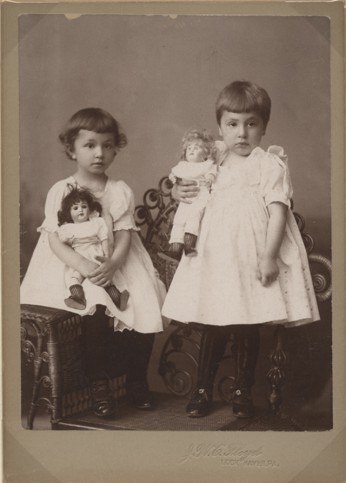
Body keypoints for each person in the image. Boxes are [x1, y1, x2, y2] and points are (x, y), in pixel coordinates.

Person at [162, 81, 320, 419]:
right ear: (220, 126)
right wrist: (177, 193)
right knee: (215, 322)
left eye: (251, 123)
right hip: (216, 258)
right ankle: (202, 388)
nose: (242, 133)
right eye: (232, 124)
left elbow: (279, 211)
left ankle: (241, 391)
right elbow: (183, 179)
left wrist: (268, 256)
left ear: (264, 127)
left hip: (250, 256)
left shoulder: (269, 164)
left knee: (249, 325)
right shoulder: (213, 156)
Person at [21, 107, 166, 418]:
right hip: (72, 264)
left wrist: (113, 264)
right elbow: (54, 238)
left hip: (116, 260)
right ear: (71, 150)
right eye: (90, 145)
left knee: (145, 297)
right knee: (94, 305)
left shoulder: (119, 190)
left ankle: (136, 379)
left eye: (108, 145)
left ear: (115, 148)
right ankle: (98, 383)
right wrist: (85, 268)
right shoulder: (62, 189)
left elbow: (125, 233)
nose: (99, 153)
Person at [57, 186, 129, 311]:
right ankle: (78, 298)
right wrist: (66, 238)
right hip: (80, 255)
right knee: (74, 277)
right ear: (69, 213)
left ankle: (118, 299)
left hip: (96, 253)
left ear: (90, 209)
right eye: (75, 208)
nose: (80, 210)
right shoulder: (68, 228)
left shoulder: (96, 223)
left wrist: (106, 256)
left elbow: (104, 238)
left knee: (103, 278)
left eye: (84, 206)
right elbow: (64, 243)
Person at [160, 129, 217, 261]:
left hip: (199, 197)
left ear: (206, 154)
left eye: (196, 148)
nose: (191, 150)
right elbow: (173, 175)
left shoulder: (207, 164)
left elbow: (212, 173)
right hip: (186, 200)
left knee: (193, 219)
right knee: (179, 221)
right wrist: (174, 181)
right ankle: (174, 249)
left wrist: (209, 178)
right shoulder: (183, 165)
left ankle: (189, 246)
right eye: (189, 148)